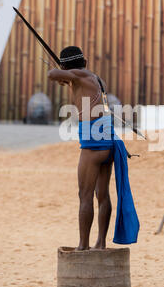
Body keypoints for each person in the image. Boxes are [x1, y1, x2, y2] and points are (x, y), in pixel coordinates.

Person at [48, 46, 139, 250]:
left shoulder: (78, 75)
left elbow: (52, 74)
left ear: (67, 66)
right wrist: (67, 75)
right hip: (107, 142)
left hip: (93, 144)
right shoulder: (95, 79)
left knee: (85, 195)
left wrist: (60, 70)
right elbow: (68, 79)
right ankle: (100, 243)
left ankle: (83, 245)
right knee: (103, 195)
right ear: (85, 62)